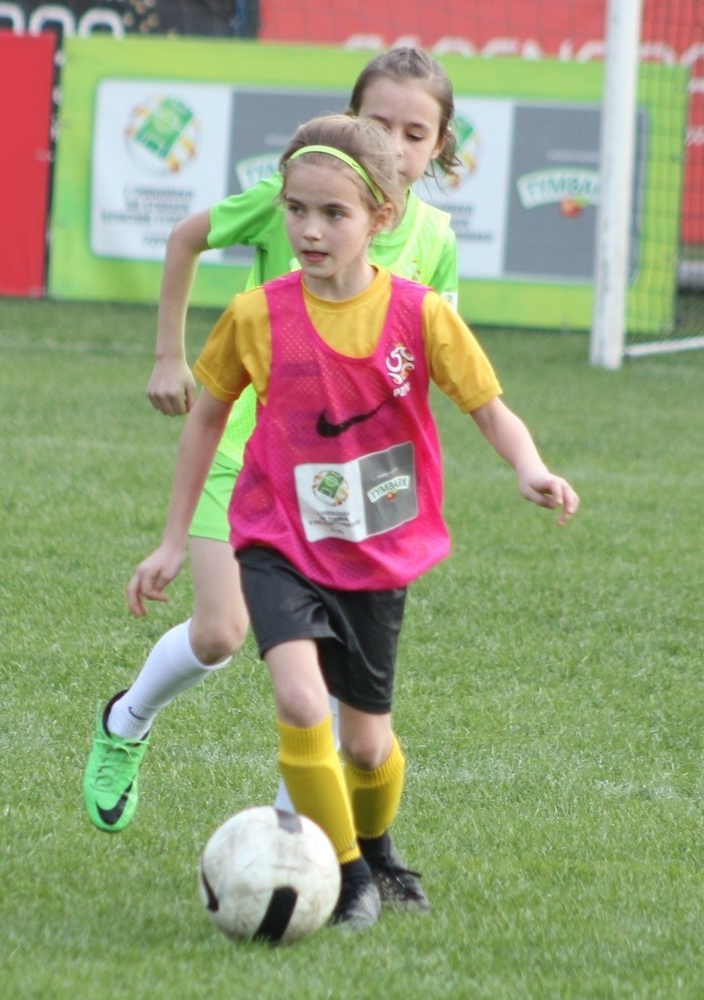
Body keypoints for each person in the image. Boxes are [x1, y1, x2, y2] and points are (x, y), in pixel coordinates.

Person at [118, 114, 579, 929]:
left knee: (367, 747)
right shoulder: (258, 315)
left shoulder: (421, 315)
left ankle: (377, 845)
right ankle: (347, 875)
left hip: (376, 550)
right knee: (301, 703)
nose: (309, 228)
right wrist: (170, 540)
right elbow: (204, 421)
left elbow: (487, 407)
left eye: (333, 214)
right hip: (277, 539)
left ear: (382, 218)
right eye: (297, 210)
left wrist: (530, 466)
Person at [85, 48, 456, 910]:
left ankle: (314, 863)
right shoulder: (299, 196)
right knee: (218, 634)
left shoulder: (431, 241)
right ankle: (126, 720)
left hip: (347, 492)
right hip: (248, 457)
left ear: (438, 148)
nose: (396, 146)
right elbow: (187, 238)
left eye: (416, 133)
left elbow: (425, 365)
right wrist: (170, 354)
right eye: (383, 125)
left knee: (315, 683)